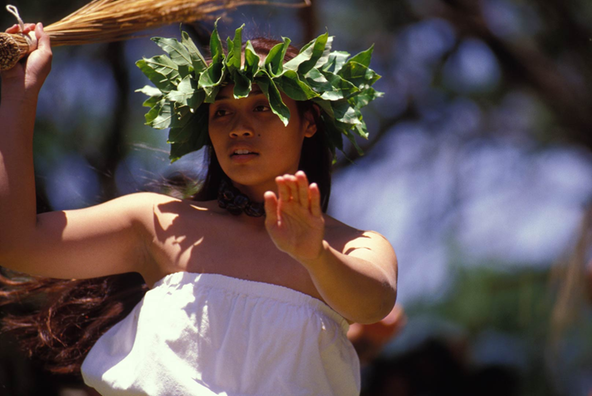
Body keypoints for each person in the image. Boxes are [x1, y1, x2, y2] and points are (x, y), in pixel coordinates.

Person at [0, 21, 397, 396]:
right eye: (222, 111)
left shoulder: (351, 244)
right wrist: (19, 93)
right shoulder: (160, 224)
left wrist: (315, 255)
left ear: (308, 122)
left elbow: (372, 304)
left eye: (262, 106)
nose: (239, 126)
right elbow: (16, 243)